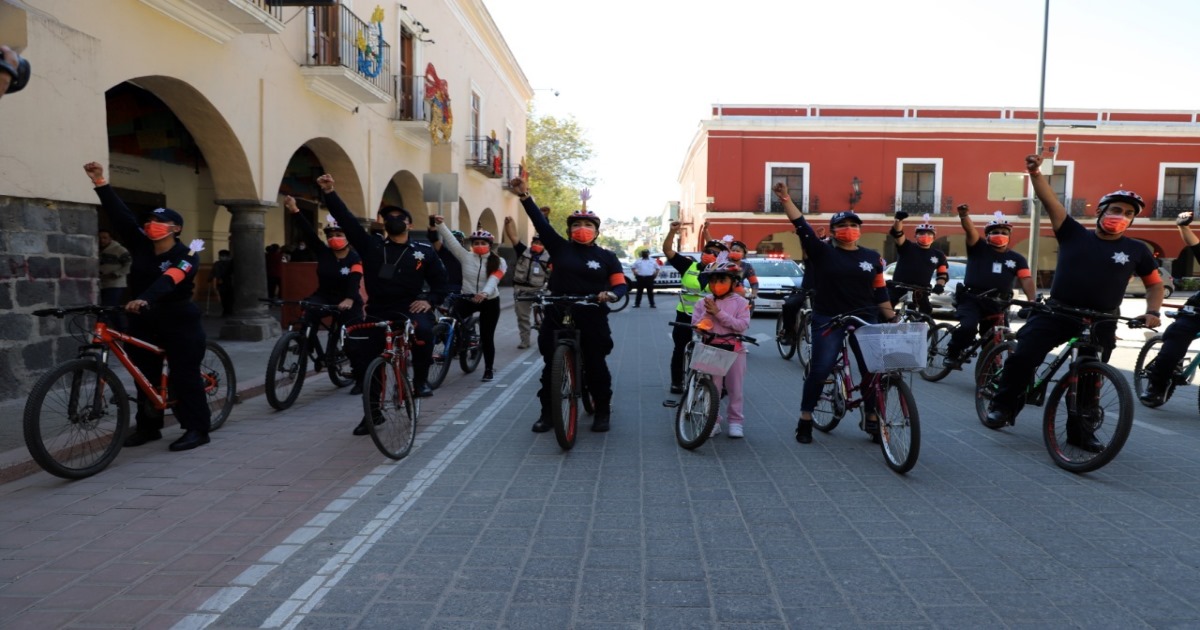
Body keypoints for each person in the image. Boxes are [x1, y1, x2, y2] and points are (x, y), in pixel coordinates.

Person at [986, 154, 1163, 444]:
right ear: (1101, 212)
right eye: (1116, 209)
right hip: (1057, 313)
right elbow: (1050, 202)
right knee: (1024, 357)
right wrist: (1035, 173)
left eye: (1128, 214)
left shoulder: (1137, 250)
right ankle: (1002, 404)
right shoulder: (1073, 234)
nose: (1121, 216)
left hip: (1102, 319)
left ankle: (1080, 434)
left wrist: (1152, 310)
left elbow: (1155, 285)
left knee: (1090, 378)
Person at [83, 162, 212, 451]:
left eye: (159, 221)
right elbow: (122, 217)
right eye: (149, 220)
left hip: (179, 319)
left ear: (175, 228)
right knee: (144, 375)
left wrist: (146, 298)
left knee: (183, 375)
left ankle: (197, 429)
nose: (151, 224)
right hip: (142, 318)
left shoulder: (187, 254)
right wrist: (100, 183)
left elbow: (171, 279)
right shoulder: (141, 244)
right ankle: (148, 427)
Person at [317, 174, 447, 435]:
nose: (393, 220)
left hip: (410, 308)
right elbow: (348, 221)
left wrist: (428, 300)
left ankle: (420, 382)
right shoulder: (372, 246)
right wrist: (330, 192)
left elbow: (442, 285)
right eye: (389, 217)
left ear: (409, 224)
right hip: (377, 311)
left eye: (399, 216)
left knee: (423, 331)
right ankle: (373, 413)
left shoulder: (423, 251)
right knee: (361, 354)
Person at [772, 182, 895, 445]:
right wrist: (785, 199)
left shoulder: (873, 258)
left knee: (873, 370)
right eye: (842, 226)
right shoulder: (823, 252)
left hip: (866, 317)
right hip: (829, 317)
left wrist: (892, 317)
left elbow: (881, 292)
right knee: (821, 368)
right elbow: (801, 225)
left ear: (860, 230)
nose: (848, 230)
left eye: (853, 225)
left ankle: (872, 417)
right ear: (833, 231)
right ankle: (806, 418)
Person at [509, 178, 627, 433]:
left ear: (597, 231)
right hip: (557, 310)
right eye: (576, 224)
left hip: (592, 313)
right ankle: (548, 415)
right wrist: (524, 195)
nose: (581, 228)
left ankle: (602, 411)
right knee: (551, 366)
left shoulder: (607, 257)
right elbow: (540, 222)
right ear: (569, 229)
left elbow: (620, 285)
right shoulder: (560, 248)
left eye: (587, 225)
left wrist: (611, 294)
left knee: (596, 364)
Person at [942, 204, 1037, 369]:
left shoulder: (1017, 259)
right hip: (972, 299)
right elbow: (971, 231)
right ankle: (952, 353)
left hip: (998, 304)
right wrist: (964, 216)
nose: (999, 235)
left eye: (1004, 233)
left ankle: (989, 372)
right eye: (995, 232)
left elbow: (1026, 279)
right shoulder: (978, 248)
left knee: (996, 339)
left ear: (1009, 236)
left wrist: (1032, 300)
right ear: (987, 235)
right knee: (968, 328)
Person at [283, 197, 365, 387]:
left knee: (352, 341)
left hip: (348, 300)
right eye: (330, 234)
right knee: (307, 312)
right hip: (324, 295)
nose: (333, 237)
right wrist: (294, 209)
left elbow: (355, 280)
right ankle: (306, 344)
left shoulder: (355, 258)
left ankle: (360, 377)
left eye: (338, 233)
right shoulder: (323, 253)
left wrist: (350, 298)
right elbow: (309, 233)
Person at [434, 217, 507, 381]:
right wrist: (440, 224)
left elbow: (494, 279)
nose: (479, 246)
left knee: (487, 337)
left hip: (489, 301)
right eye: (476, 243)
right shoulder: (466, 256)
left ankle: (488, 369)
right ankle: (457, 342)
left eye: (483, 243)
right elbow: (452, 242)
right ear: (471, 245)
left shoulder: (499, 261)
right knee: (450, 320)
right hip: (467, 297)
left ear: (490, 245)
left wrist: (485, 293)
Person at [1142, 212, 1200, 405]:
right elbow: (1195, 245)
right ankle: (1156, 387)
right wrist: (1182, 226)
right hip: (1197, 312)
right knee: (1172, 349)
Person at [691, 262, 752, 438]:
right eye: (713, 280)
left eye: (722, 280)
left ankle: (735, 421)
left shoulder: (742, 303)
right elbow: (698, 328)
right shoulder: (703, 302)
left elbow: (741, 326)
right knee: (712, 389)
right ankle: (713, 421)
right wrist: (708, 313)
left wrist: (718, 313)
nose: (717, 285)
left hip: (735, 350)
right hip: (711, 349)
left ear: (733, 282)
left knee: (735, 388)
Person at [663, 223, 725, 394]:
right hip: (684, 313)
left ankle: (719, 383)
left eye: (715, 254)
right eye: (707, 251)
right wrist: (672, 231)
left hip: (710, 316)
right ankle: (677, 381)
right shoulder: (688, 266)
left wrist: (707, 234)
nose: (710, 255)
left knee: (716, 348)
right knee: (680, 347)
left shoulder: (723, 271)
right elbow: (667, 250)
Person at [503, 216, 551, 349]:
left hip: (540, 289)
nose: (537, 245)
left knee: (549, 314)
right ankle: (525, 341)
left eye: (541, 243)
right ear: (531, 243)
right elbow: (513, 237)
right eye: (535, 242)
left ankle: (547, 336)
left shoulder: (550, 257)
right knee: (522, 318)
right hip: (521, 290)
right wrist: (509, 224)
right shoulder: (523, 251)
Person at [887, 212, 948, 316]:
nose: (925, 236)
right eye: (921, 233)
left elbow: (942, 274)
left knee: (926, 312)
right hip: (898, 287)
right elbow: (898, 233)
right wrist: (898, 220)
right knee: (884, 310)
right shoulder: (907, 246)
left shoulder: (938, 255)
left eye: (929, 234)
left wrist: (939, 285)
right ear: (915, 236)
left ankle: (927, 331)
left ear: (934, 237)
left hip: (921, 290)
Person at [97, 229, 132, 327]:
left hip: (115, 283)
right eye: (99, 238)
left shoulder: (119, 250)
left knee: (108, 307)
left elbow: (129, 264)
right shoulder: (97, 249)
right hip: (102, 284)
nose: (102, 240)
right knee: (112, 308)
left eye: (105, 238)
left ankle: (106, 328)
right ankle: (120, 329)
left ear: (110, 238)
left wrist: (117, 273)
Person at [427, 219, 464, 294]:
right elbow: (434, 239)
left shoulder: (467, 255)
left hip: (464, 290)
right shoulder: (445, 253)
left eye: (459, 240)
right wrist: (432, 224)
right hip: (447, 288)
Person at [210, 249, 235, 317]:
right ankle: (226, 311)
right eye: (220, 256)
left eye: (223, 256)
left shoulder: (231, 263)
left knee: (229, 297)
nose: (221, 257)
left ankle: (228, 311)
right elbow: (214, 272)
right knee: (224, 297)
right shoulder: (218, 263)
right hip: (222, 282)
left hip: (228, 282)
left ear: (227, 256)